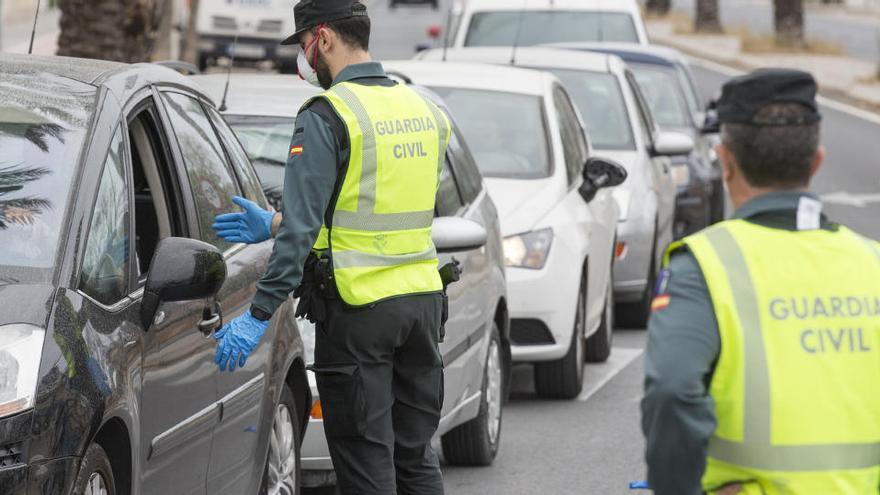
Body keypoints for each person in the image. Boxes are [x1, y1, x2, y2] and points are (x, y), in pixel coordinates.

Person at [209, 1, 451, 493]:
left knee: (367, 466)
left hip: (362, 315)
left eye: (303, 46)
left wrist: (257, 315)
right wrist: (275, 222)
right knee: (416, 460)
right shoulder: (422, 108)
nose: (304, 60)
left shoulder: (328, 114)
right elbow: (371, 208)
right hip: (423, 307)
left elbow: (307, 229)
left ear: (323, 38)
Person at [641, 68, 880, 495]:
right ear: (817, 161)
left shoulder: (703, 267)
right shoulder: (873, 263)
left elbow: (672, 391)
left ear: (726, 160)